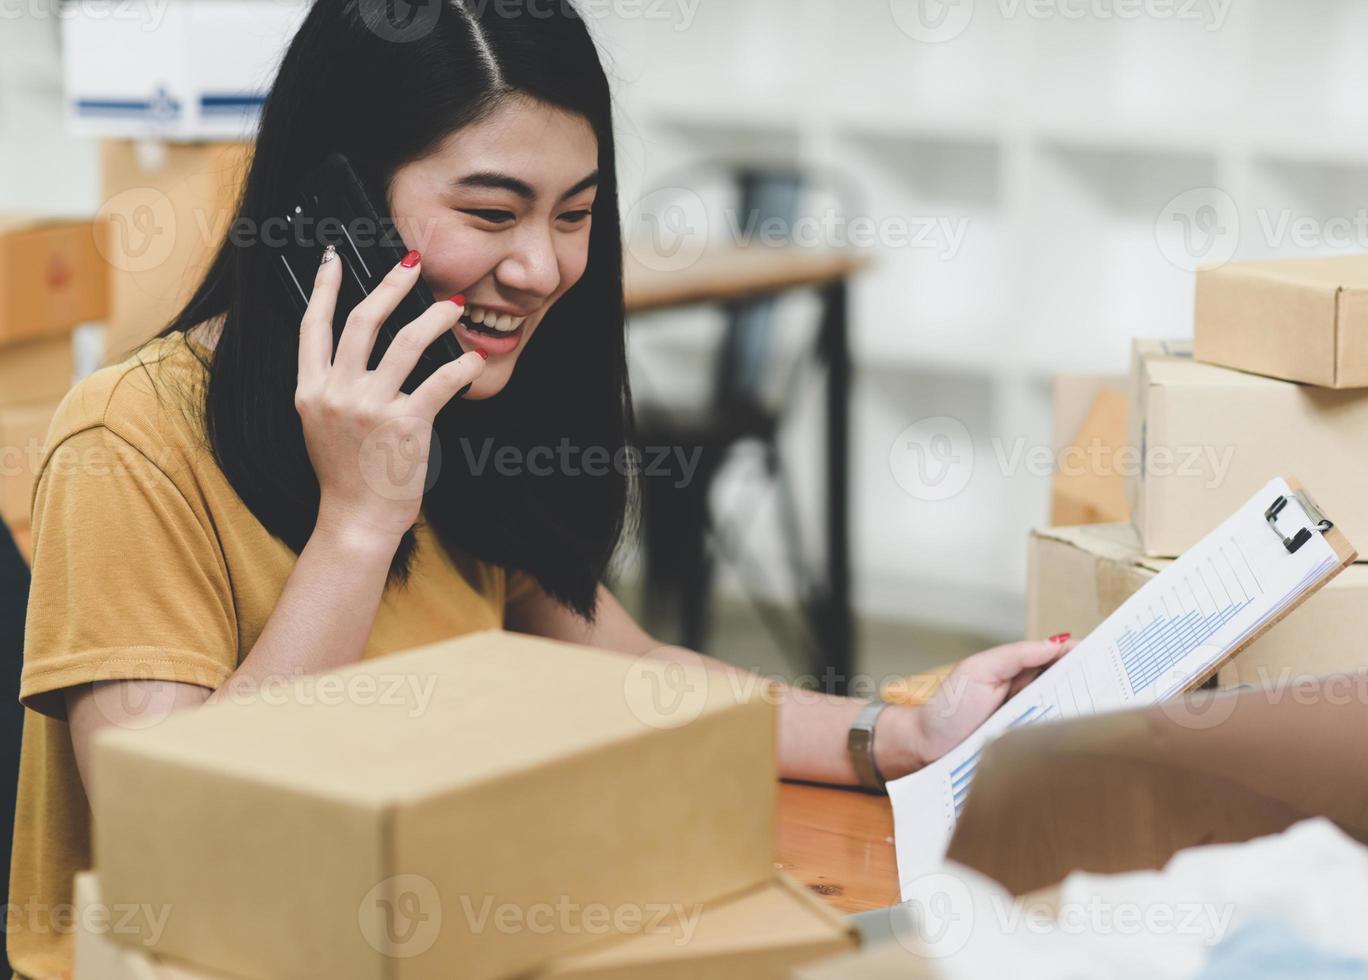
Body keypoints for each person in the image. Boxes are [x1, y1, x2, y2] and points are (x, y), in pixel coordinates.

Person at [7, 1, 1074, 975]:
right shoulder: (128, 441)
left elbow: (639, 676)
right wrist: (359, 522)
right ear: (332, 203)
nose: (544, 266)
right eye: (491, 209)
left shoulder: (459, 405)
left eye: (575, 213)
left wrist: (899, 735)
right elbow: (187, 846)